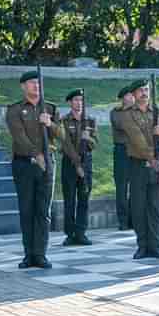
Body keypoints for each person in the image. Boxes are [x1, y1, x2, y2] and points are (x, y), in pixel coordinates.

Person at [6, 70, 61, 269]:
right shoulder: (14, 110)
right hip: (24, 164)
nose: (36, 86)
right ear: (23, 86)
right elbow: (19, 136)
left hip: (47, 164)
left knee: (43, 211)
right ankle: (28, 254)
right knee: (27, 210)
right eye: (31, 83)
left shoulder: (50, 108)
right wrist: (35, 154)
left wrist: (50, 124)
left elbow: (61, 135)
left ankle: (40, 254)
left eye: (38, 82)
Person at [114, 79, 159, 259]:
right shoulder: (127, 114)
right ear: (134, 94)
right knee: (138, 207)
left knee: (155, 207)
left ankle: (155, 245)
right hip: (138, 164)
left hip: (158, 164)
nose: (144, 93)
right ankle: (143, 245)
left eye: (146, 89)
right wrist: (151, 157)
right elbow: (136, 138)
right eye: (140, 90)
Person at [60, 89, 98, 246]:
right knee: (69, 199)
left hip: (86, 162)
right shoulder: (64, 121)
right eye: (75, 100)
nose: (79, 103)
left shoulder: (90, 120)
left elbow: (95, 144)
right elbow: (65, 144)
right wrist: (77, 165)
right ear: (70, 102)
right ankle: (70, 234)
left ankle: (81, 232)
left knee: (84, 198)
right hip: (69, 163)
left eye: (81, 100)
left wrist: (88, 138)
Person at [111, 86, 134, 230]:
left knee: (136, 186)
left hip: (136, 149)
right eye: (129, 95)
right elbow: (121, 125)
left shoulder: (138, 111)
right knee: (121, 186)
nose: (132, 97)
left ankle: (133, 218)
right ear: (123, 98)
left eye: (133, 94)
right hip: (122, 150)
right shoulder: (116, 112)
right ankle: (123, 220)